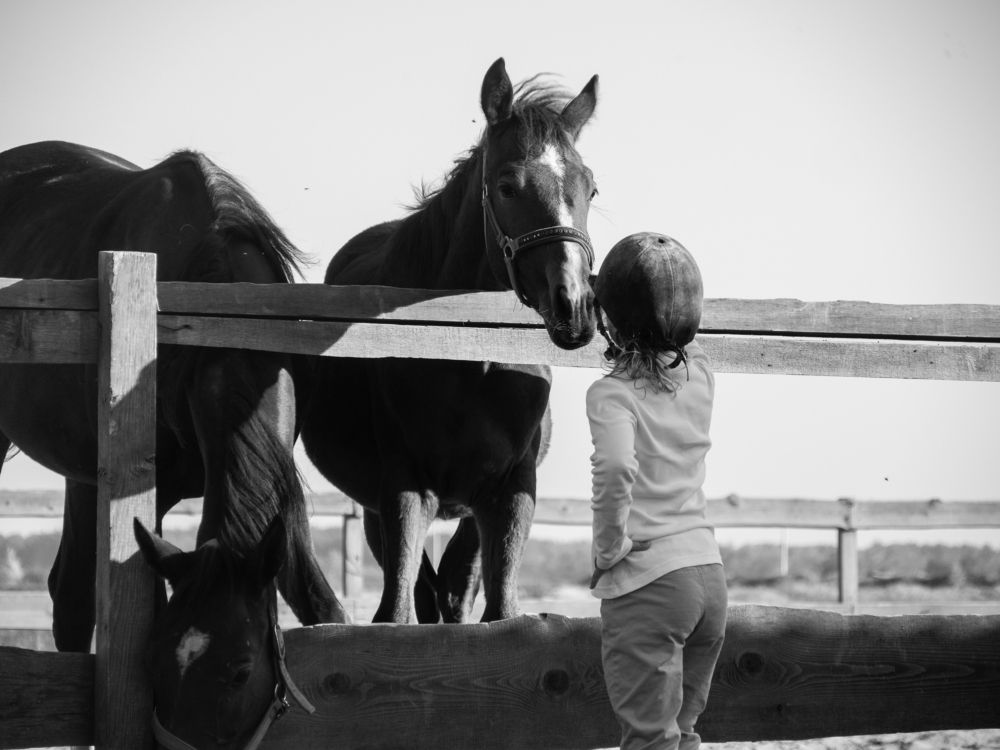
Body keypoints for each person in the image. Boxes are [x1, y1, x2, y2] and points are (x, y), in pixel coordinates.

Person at [587, 231, 727, 750]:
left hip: (650, 583)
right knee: (682, 735)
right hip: (709, 578)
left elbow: (618, 465)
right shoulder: (703, 377)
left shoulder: (611, 395)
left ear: (612, 322)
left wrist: (608, 549)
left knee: (649, 741)